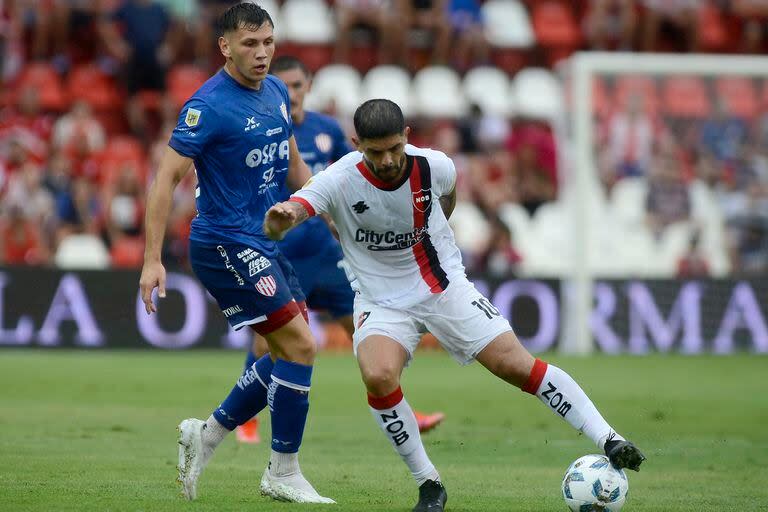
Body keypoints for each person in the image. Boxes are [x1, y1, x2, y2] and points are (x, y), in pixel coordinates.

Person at [264, 99, 646, 512]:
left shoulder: (435, 165)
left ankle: (609, 438)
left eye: (394, 148)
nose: (388, 160)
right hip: (381, 300)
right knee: (377, 375)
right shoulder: (338, 179)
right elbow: (299, 207)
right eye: (375, 152)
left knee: (518, 366)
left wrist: (434, 232)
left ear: (407, 136)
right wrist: (283, 217)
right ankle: (430, 485)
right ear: (357, 145)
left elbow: (448, 197)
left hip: (444, 287)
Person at [138, 4, 333, 504]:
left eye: (268, 42)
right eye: (250, 44)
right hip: (223, 242)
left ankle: (206, 436)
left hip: (265, 239)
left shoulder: (273, 92)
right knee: (303, 347)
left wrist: (326, 207)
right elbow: (164, 182)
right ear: (225, 46)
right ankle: (282, 472)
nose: (263, 53)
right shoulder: (208, 106)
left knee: (282, 352)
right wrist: (152, 259)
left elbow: (290, 161)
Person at [235, 55, 446, 444]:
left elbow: (355, 179)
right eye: (284, 87)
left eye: (297, 85)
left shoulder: (326, 130)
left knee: (370, 330)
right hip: (279, 251)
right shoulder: (257, 133)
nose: (292, 94)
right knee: (267, 341)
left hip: (324, 249)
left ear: (308, 86)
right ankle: (247, 419)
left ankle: (402, 409)